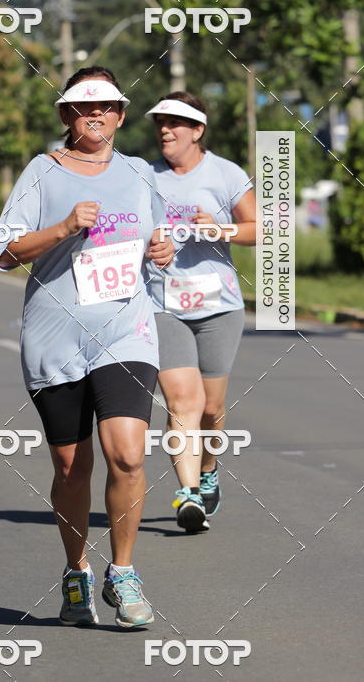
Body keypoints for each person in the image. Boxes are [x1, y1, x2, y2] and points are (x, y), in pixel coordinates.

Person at [0, 66, 174, 628]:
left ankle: (123, 571)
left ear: (120, 114)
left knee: (128, 453)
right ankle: (76, 572)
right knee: (72, 465)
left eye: (108, 107)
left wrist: (161, 254)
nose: (97, 116)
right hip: (56, 332)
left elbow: (158, 240)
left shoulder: (141, 173)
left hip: (126, 329)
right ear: (67, 115)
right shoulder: (42, 172)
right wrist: (65, 226)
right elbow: (3, 252)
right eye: (83, 108)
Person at [145, 92, 256, 532]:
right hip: (162, 304)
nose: (165, 130)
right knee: (181, 401)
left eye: (175, 123)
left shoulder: (225, 173)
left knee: (211, 408)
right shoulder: (144, 176)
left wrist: (220, 228)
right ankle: (187, 493)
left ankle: (209, 468)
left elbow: (258, 229)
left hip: (217, 306)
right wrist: (152, 246)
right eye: (160, 123)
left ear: (198, 130)